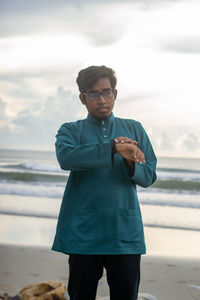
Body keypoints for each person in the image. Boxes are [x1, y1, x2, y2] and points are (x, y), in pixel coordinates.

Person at [52, 65, 157, 300]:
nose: (102, 99)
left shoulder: (134, 129)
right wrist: (113, 148)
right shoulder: (70, 130)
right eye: (93, 93)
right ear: (83, 98)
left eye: (107, 92)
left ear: (115, 94)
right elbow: (66, 158)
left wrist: (129, 161)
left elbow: (149, 175)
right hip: (84, 233)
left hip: (124, 233)